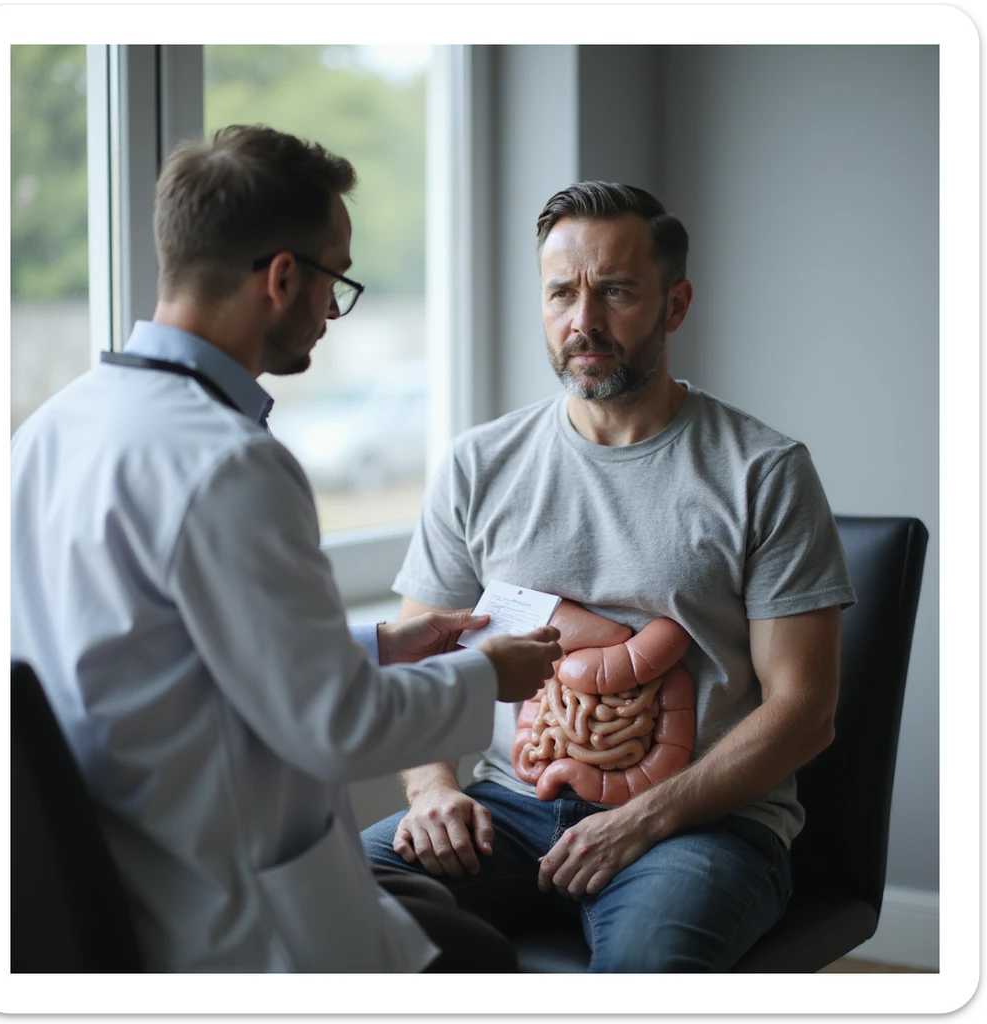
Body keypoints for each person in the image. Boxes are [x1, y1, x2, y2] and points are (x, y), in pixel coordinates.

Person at [9, 124, 563, 974]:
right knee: (482, 966)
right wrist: (493, 677)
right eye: (335, 282)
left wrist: (382, 644)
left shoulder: (50, 430)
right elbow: (335, 730)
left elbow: (154, 654)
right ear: (280, 277)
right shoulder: (230, 463)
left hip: (112, 867)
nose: (331, 315)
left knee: (423, 904)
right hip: (220, 913)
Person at [361, 181, 858, 973]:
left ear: (676, 303)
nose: (583, 322)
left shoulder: (763, 471)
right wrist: (430, 791)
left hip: (701, 826)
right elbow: (420, 659)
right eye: (561, 293)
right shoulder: (478, 465)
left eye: (617, 291)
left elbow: (805, 711)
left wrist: (646, 819)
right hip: (505, 812)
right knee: (325, 903)